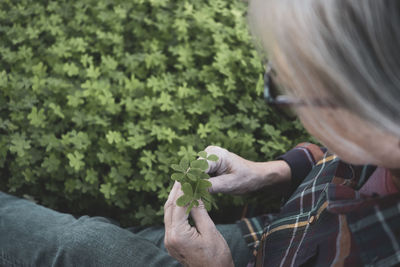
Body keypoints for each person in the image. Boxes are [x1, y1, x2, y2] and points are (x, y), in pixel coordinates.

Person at [1, 0, 400, 266]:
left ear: (368, 105)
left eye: (292, 90)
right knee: (94, 239)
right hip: (275, 234)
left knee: (81, 245)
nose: (291, 106)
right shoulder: (380, 135)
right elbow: (338, 154)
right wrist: (271, 170)